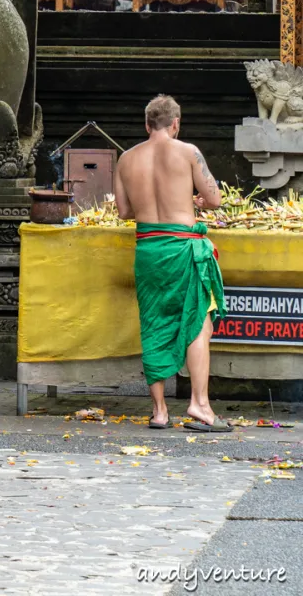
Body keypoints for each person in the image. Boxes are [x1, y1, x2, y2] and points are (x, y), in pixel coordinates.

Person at [114, 94, 228, 432]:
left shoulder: (126, 159)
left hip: (148, 250)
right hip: (182, 248)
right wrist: (190, 202)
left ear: (147, 124)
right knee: (196, 323)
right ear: (175, 124)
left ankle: (160, 411)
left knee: (153, 324)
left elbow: (124, 212)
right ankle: (200, 405)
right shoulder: (187, 151)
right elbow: (215, 199)